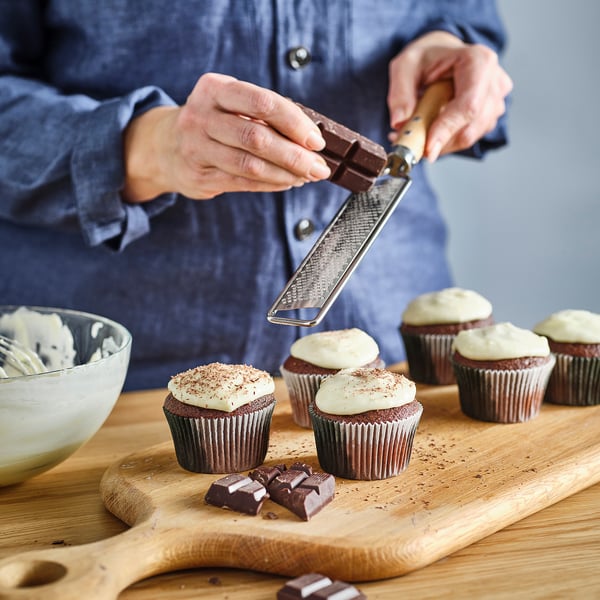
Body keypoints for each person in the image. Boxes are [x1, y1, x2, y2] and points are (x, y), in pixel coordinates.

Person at [0, 2, 512, 390]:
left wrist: (452, 47)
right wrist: (148, 146)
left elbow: (463, 16)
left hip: (404, 352)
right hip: (113, 376)